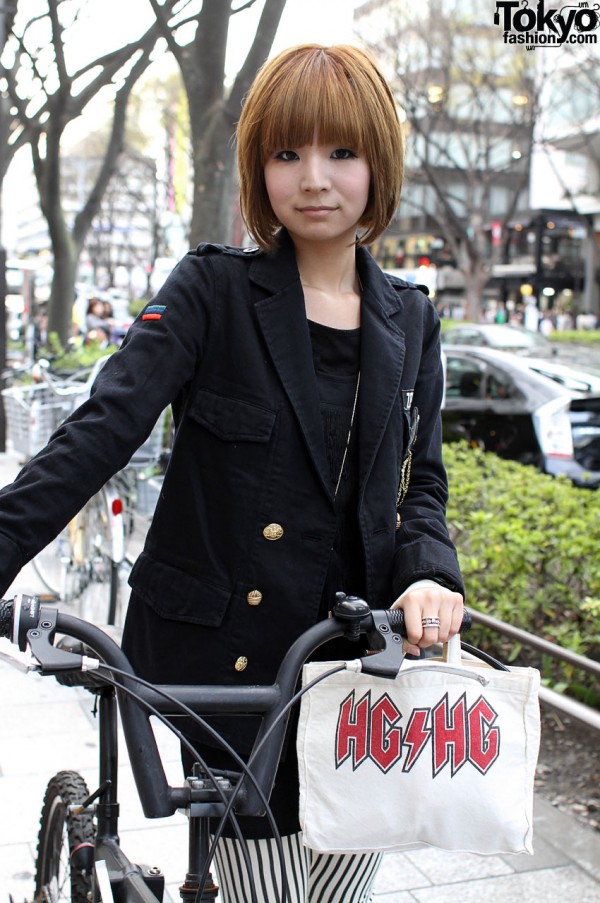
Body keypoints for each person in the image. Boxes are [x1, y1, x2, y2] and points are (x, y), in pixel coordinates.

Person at [0, 45, 464, 902]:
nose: (313, 178)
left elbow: (420, 486)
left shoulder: (412, 318)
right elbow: (104, 429)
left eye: (341, 152)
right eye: (287, 154)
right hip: (226, 665)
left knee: (339, 878)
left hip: (350, 668)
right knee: (262, 886)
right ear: (259, 168)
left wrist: (432, 575)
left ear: (378, 164)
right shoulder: (213, 290)